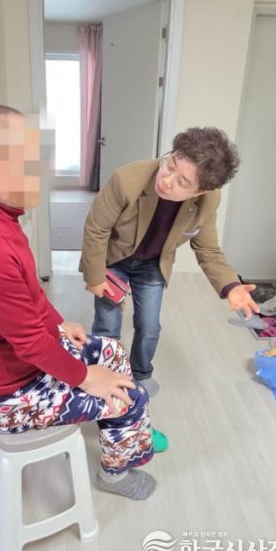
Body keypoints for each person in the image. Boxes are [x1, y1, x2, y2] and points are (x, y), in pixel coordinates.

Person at [0, 105, 156, 500]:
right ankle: (115, 473)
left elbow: (27, 292)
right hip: (8, 395)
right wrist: (88, 379)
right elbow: (31, 345)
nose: (44, 171)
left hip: (18, 367)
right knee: (130, 398)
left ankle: (119, 434)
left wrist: (59, 323)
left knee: (113, 353)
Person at [80, 127, 260, 398]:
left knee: (150, 326)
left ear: (200, 191)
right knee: (107, 324)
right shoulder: (127, 179)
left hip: (152, 264)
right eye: (170, 165)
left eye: (182, 182)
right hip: (114, 259)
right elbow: (97, 229)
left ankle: (141, 373)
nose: (166, 180)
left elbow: (208, 248)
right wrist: (94, 277)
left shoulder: (209, 200)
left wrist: (231, 286)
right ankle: (105, 374)